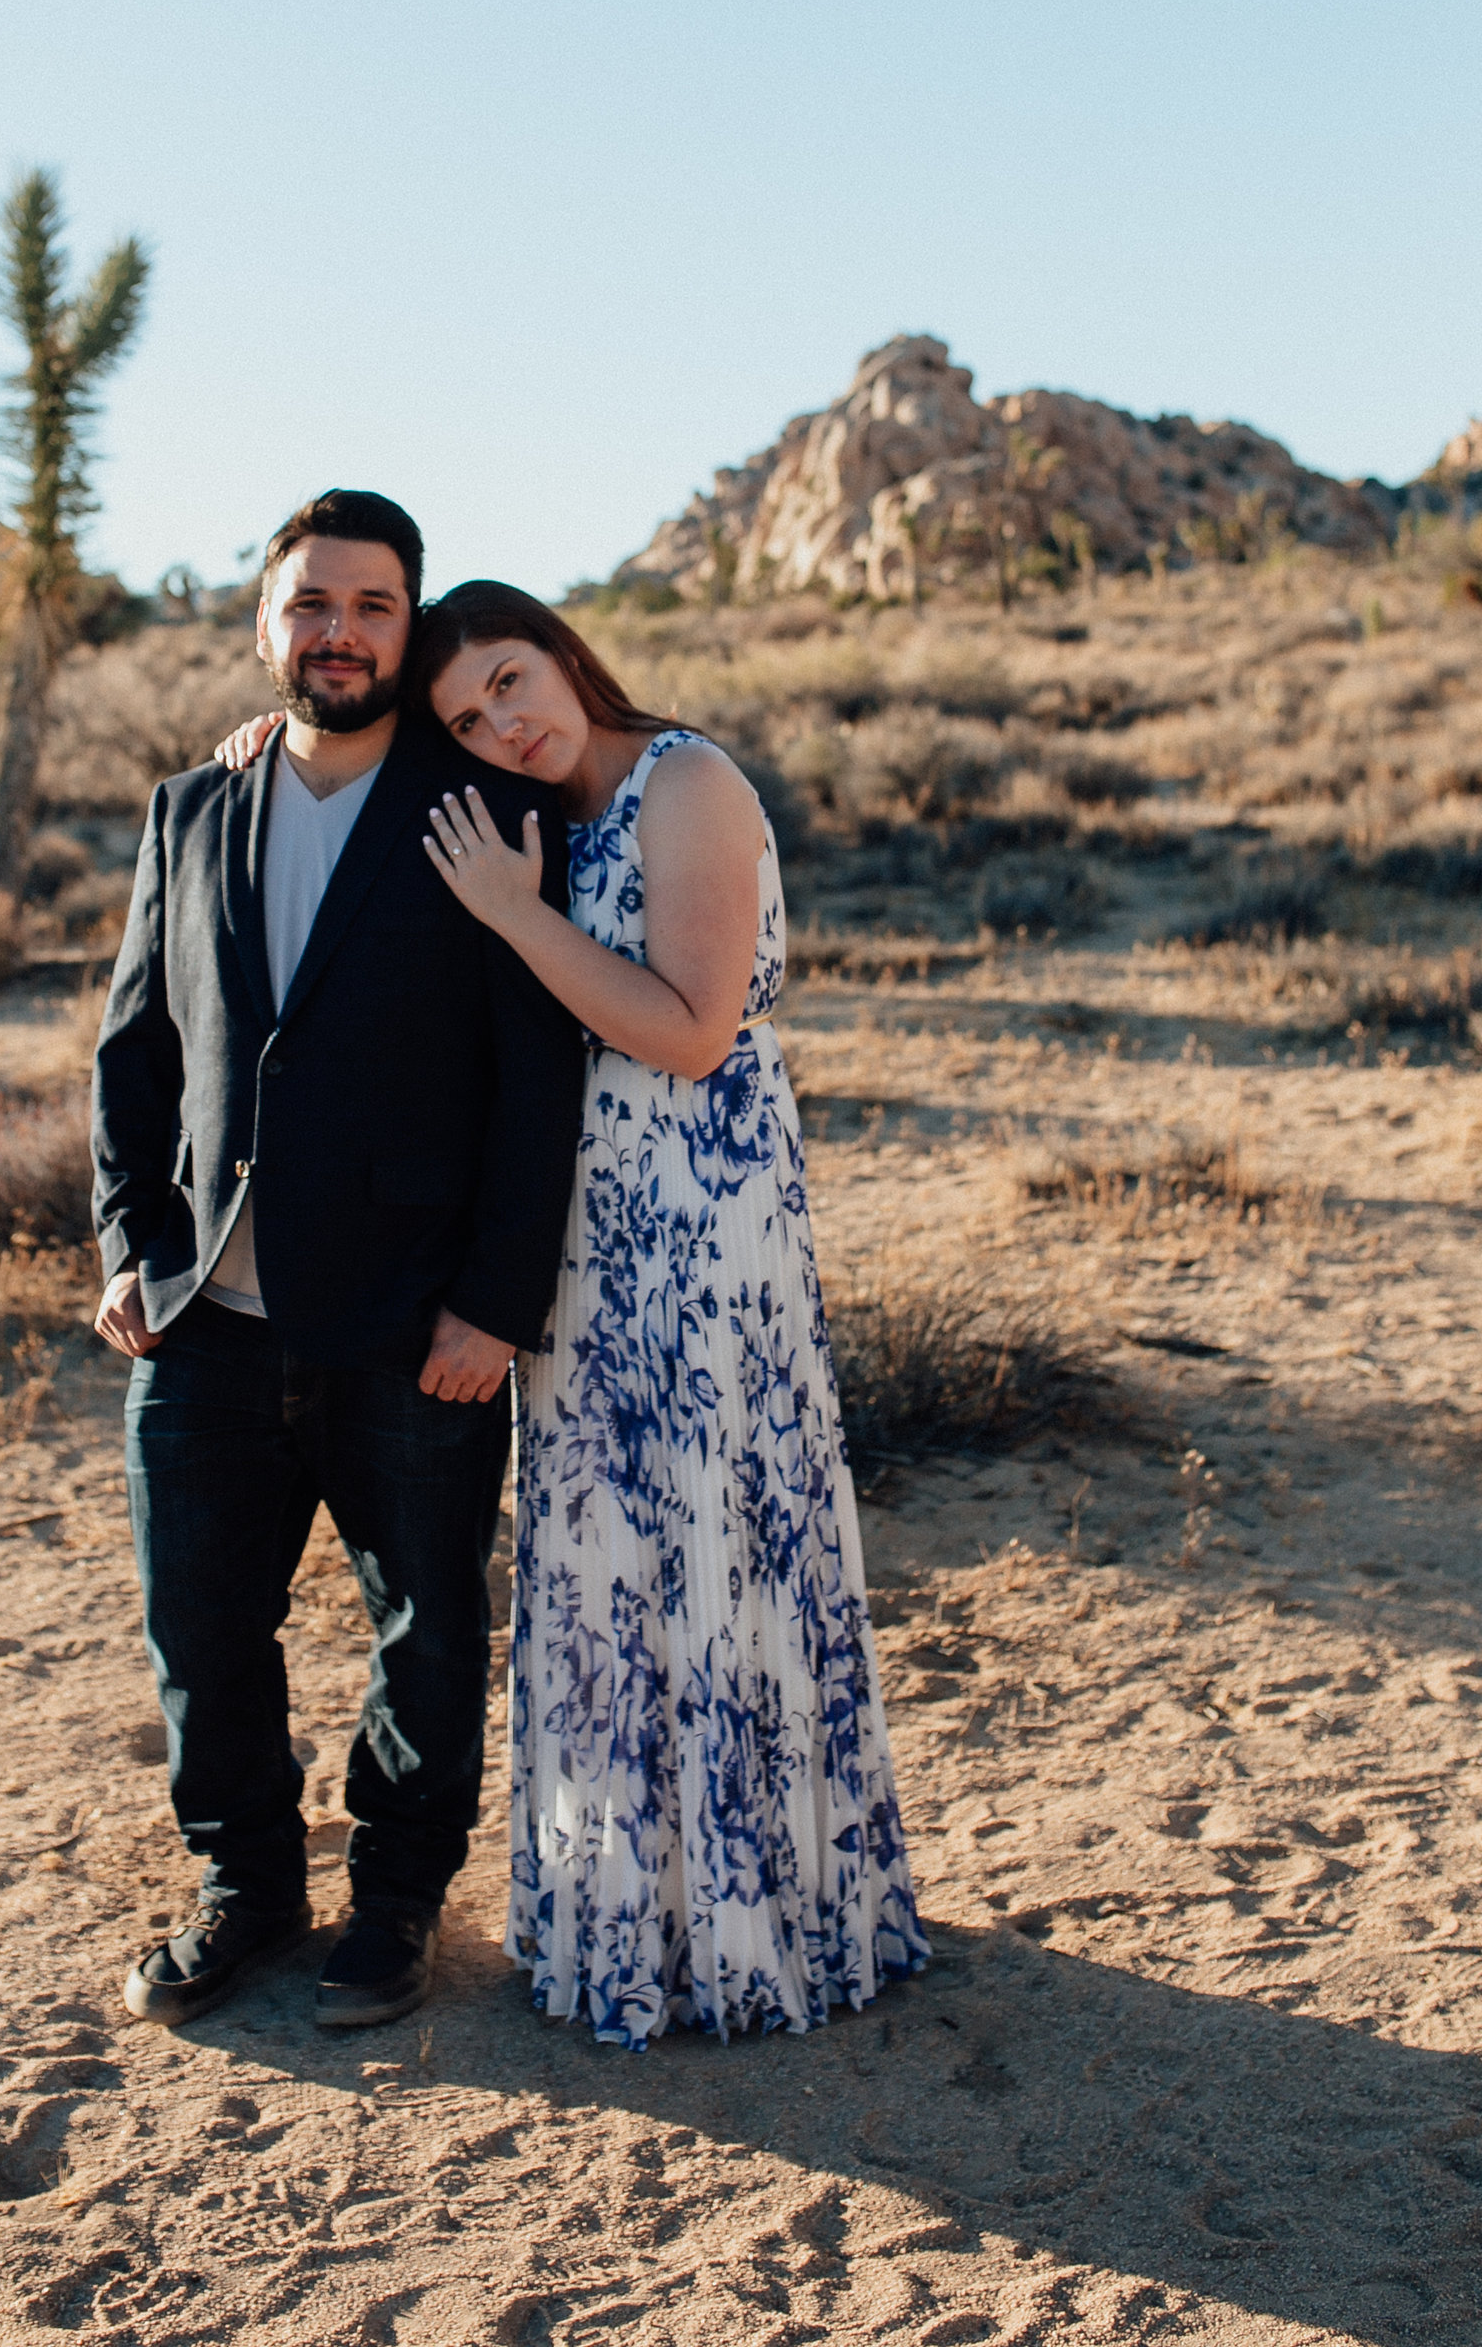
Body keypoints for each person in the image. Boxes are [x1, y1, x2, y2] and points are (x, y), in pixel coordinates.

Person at [217, 581, 927, 2048]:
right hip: (587, 1238)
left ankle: (759, 1912)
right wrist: (260, 744)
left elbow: (688, 1028)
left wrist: (512, 916)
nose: (504, 724)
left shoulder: (687, 784)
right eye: (471, 713)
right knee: (608, 1553)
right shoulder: (533, 802)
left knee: (717, 1538)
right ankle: (636, 1913)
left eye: (516, 683)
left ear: (567, 653)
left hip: (704, 1223)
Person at [90, 499, 583, 2034]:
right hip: (206, 1317)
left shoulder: (484, 809)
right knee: (200, 1622)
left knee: (427, 1619)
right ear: (266, 625)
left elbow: (537, 1076)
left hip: (408, 1319)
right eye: (313, 602)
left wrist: (496, 1304)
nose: (342, 630)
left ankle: (393, 1904)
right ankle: (246, 1888)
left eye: (375, 604)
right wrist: (128, 1242)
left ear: (408, 624)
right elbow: (132, 1049)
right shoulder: (191, 808)